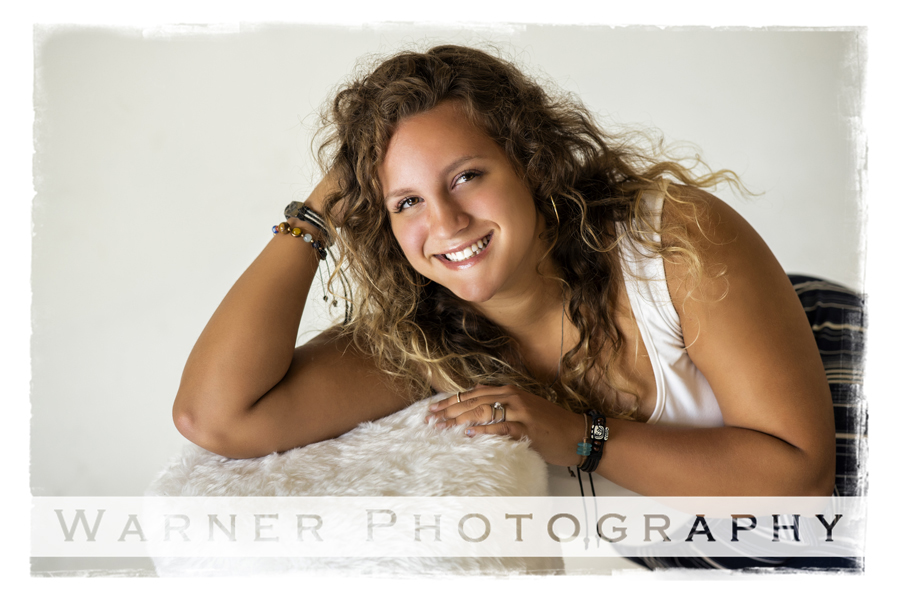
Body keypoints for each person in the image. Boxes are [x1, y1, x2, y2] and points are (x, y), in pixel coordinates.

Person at [172, 45, 835, 499]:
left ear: (531, 163)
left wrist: (577, 436)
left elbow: (804, 475)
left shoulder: (675, 239)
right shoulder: (424, 339)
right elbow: (216, 416)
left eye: (465, 176)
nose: (447, 222)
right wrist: (315, 216)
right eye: (407, 202)